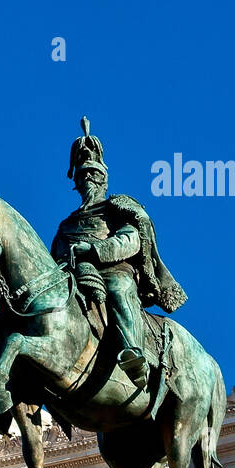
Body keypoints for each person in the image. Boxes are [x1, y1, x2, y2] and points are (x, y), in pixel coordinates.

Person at [50, 118, 188, 388]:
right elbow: (54, 256)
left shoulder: (117, 208)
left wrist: (93, 249)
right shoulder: (66, 224)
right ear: (76, 184)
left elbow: (131, 240)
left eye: (94, 175)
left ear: (103, 180)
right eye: (83, 176)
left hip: (115, 270)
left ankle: (133, 352)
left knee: (119, 289)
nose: (88, 179)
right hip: (76, 274)